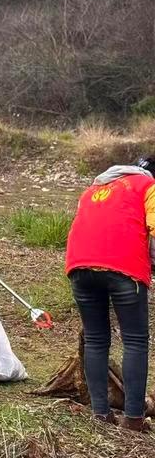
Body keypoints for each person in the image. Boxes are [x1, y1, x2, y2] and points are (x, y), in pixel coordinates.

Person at [64, 157, 155, 432]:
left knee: (95, 339)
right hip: (123, 266)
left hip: (79, 265)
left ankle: (100, 413)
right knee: (136, 340)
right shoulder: (148, 185)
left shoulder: (93, 189)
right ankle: (134, 418)